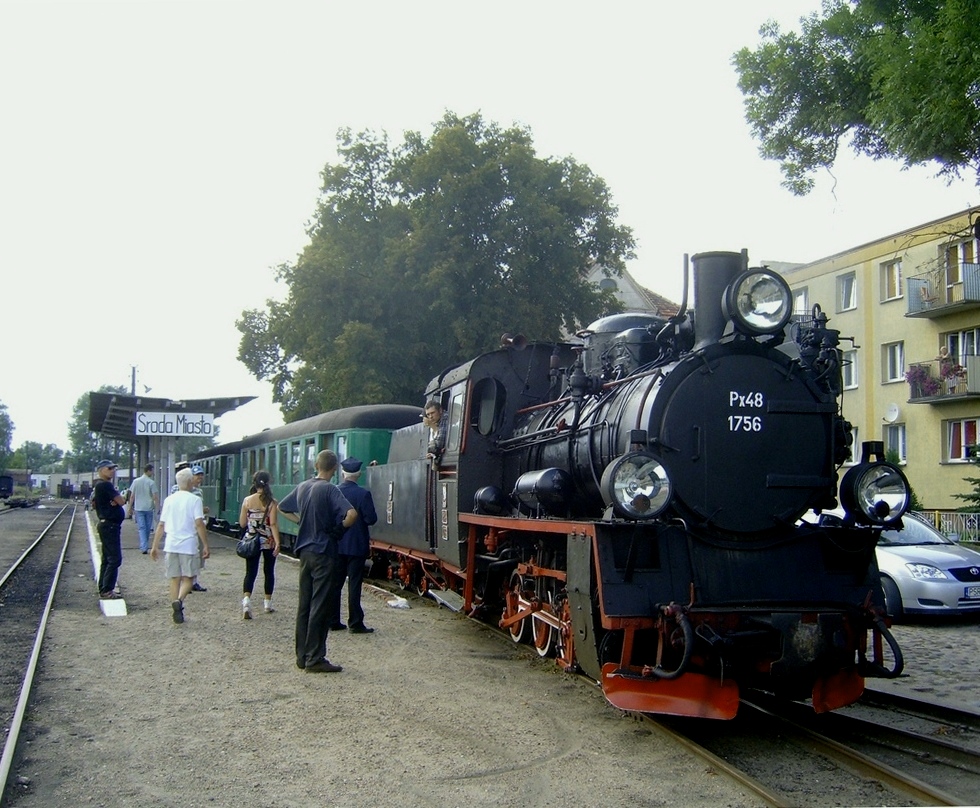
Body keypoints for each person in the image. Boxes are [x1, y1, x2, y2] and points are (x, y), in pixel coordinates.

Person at [279, 450, 356, 673]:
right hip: (324, 551)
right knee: (320, 605)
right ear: (334, 469)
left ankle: (302, 655)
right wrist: (339, 529)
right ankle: (315, 657)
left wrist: (300, 521)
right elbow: (352, 514)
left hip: (304, 552)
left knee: (304, 605)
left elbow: (283, 507)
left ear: (315, 465)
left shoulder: (303, 486)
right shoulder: (330, 489)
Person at [150, 467, 211, 624]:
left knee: (174, 578)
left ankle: (174, 606)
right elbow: (199, 523)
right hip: (188, 545)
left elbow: (161, 525)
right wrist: (205, 544)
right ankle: (179, 601)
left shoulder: (169, 500)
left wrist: (154, 546)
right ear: (190, 481)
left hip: (171, 544)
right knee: (189, 578)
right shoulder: (195, 500)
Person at [330, 457, 378, 634]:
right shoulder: (363, 494)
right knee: (354, 585)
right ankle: (355, 622)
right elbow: (371, 519)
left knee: (335, 584)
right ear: (358, 474)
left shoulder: (334, 491)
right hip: (357, 546)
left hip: (337, 545)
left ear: (343, 473)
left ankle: (333, 620)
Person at [238, 470, 281, 620]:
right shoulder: (272, 502)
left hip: (251, 540)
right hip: (268, 540)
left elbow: (243, 523)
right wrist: (278, 542)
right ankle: (267, 604)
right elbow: (273, 524)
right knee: (269, 571)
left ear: (254, 483)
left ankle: (246, 602)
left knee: (250, 572)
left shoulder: (247, 501)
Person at [92, 460, 126, 600]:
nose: (112, 470)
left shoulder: (99, 486)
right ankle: (107, 590)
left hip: (107, 524)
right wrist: (116, 501)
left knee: (107, 558)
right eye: (109, 468)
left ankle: (104, 588)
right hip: (110, 525)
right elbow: (122, 501)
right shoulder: (105, 485)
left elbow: (94, 503)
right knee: (115, 559)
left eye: (113, 468)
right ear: (101, 470)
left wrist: (114, 501)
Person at [127, 463, 159, 554]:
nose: (153, 472)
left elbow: (132, 496)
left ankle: (144, 547)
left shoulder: (136, 481)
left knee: (141, 527)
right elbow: (155, 496)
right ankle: (145, 545)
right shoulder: (151, 482)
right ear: (148, 470)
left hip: (138, 507)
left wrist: (130, 507)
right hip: (148, 508)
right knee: (148, 528)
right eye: (152, 470)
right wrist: (157, 507)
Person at [189, 464, 210, 592]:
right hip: (189, 525)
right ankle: (186, 581)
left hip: (198, 524)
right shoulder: (178, 489)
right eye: (197, 475)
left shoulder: (199, 491)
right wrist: (203, 509)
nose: (199, 478)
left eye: (201, 475)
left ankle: (194, 581)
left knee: (198, 554)